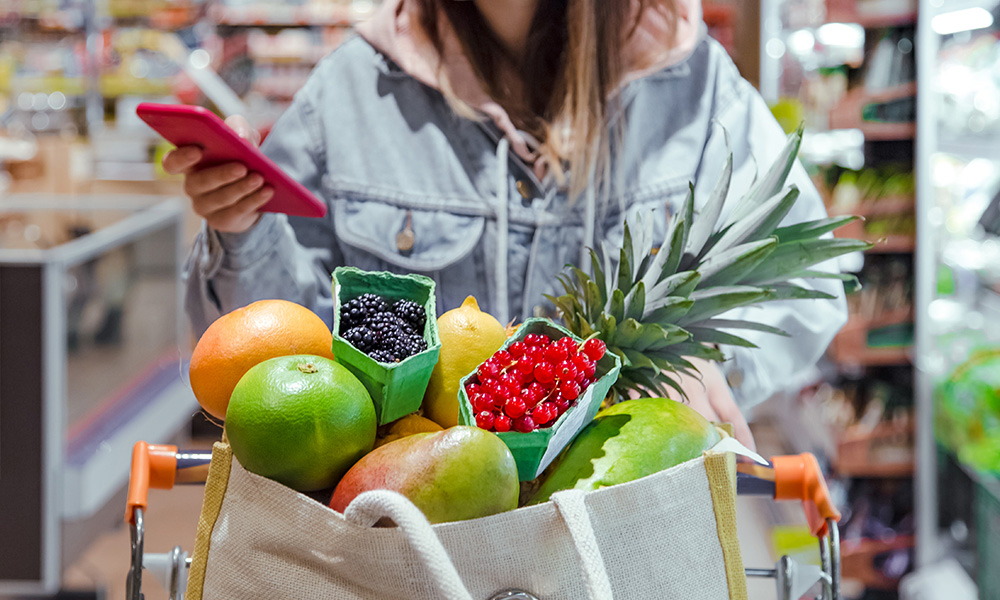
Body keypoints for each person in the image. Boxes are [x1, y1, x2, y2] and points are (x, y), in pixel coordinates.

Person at [164, 0, 848, 450]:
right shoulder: (353, 89)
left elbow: (807, 280)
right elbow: (279, 353)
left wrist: (702, 359)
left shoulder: (691, 83)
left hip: (628, 536)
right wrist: (244, 227)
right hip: (418, 548)